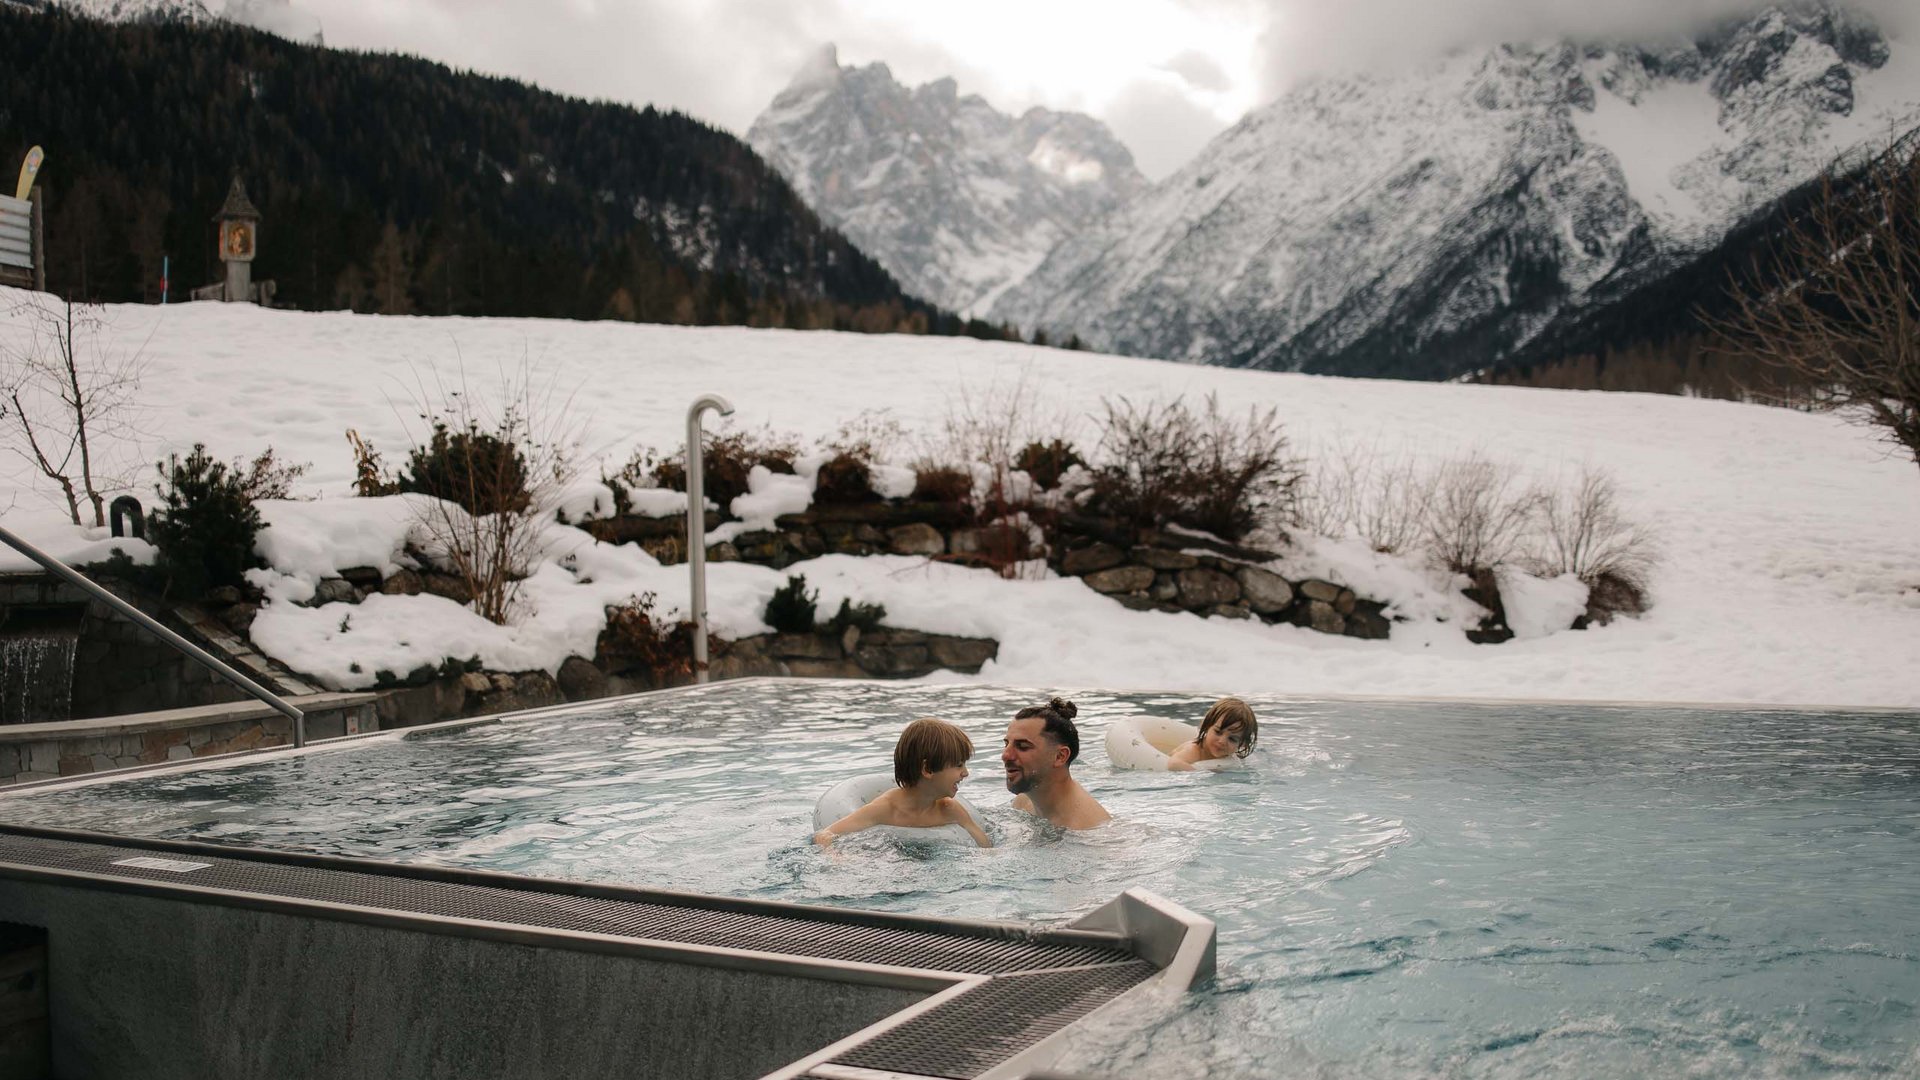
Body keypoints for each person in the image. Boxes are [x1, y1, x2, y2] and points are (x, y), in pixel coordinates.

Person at [813, 718, 992, 848]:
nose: (966, 772)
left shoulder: (950, 809)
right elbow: (824, 836)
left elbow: (985, 847)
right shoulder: (885, 809)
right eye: (959, 765)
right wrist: (839, 861)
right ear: (928, 769)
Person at [1002, 696, 1110, 830]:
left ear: (1060, 756)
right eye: (1007, 744)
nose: (1005, 755)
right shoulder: (1025, 800)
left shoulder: (1085, 829)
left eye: (1023, 746)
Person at [1167, 696, 1258, 771]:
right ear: (1207, 726)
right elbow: (1173, 764)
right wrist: (1199, 774)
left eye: (1232, 739)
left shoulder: (1232, 758)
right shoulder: (1194, 750)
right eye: (1218, 732)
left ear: (1242, 744)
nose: (1222, 741)